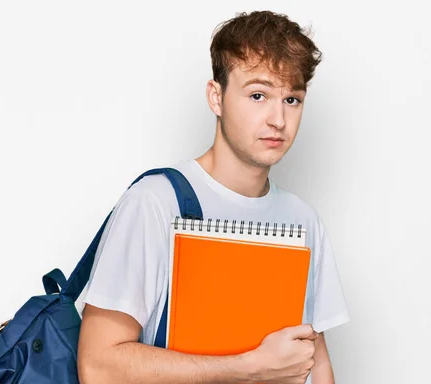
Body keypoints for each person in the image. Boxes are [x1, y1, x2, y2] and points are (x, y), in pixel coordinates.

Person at [77, 10, 349, 384]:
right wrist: (248, 368)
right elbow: (97, 366)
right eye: (258, 95)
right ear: (216, 97)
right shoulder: (155, 203)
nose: (278, 120)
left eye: (292, 99)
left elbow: (316, 364)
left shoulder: (303, 221)